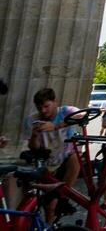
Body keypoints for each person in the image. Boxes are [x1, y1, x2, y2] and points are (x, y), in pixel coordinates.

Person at [22, 88, 82, 222]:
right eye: (40, 108)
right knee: (49, 208)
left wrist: (56, 126)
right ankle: (50, 224)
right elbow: (33, 148)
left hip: (66, 159)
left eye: (46, 106)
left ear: (55, 102)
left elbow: (82, 115)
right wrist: (34, 135)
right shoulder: (32, 119)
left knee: (75, 158)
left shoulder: (66, 111)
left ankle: (63, 198)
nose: (43, 111)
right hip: (47, 162)